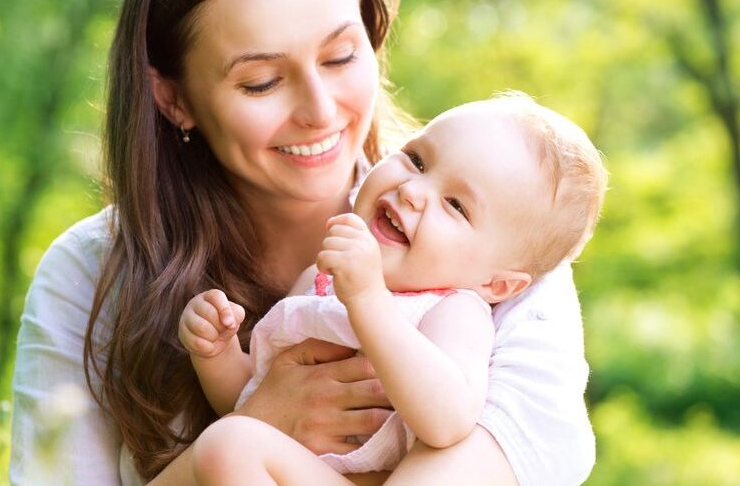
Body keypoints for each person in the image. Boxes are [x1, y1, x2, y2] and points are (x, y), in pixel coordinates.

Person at [9, 0, 597, 485]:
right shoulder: (89, 277)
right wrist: (255, 416)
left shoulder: (505, 245)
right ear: (174, 99)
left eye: (340, 56)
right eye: (261, 82)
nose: (319, 111)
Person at [171, 94, 607, 485]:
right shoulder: (318, 283)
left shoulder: (453, 311)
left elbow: (448, 420)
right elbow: (253, 400)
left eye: (456, 205)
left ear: (496, 283)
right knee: (226, 447)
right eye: (417, 159)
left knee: (228, 444)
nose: (413, 190)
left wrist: (368, 300)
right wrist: (218, 355)